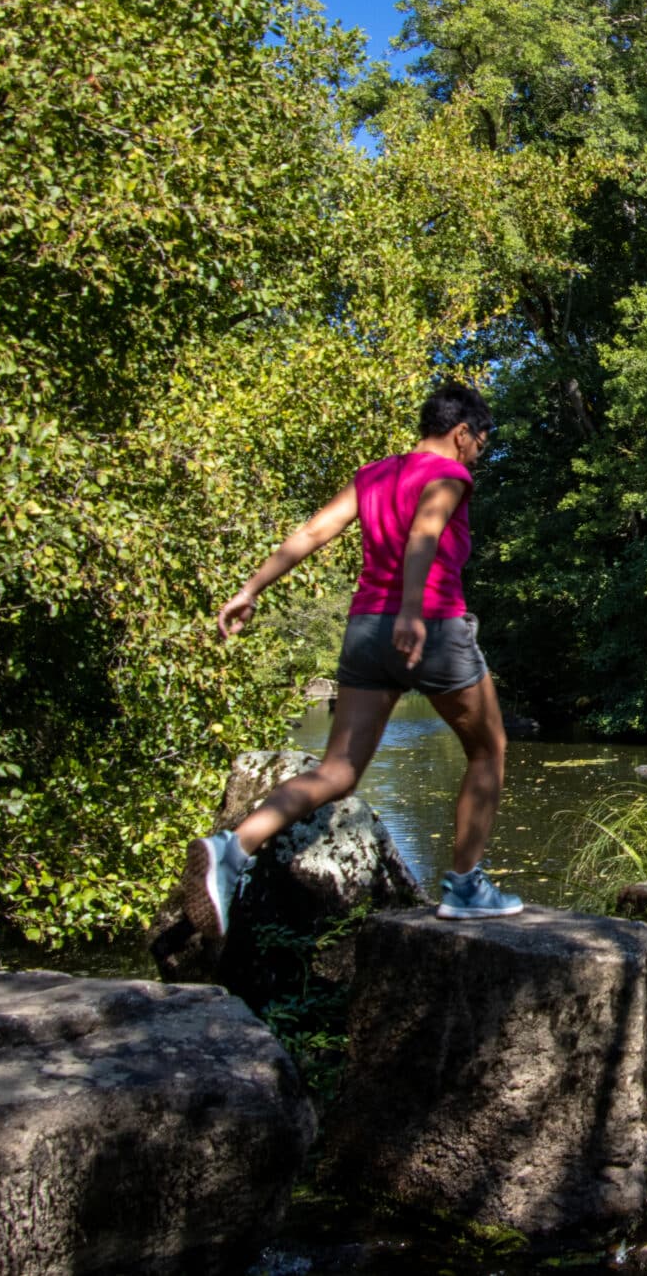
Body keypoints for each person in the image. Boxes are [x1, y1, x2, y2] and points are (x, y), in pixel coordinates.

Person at [181, 383, 522, 942]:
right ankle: (465, 887)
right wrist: (412, 611)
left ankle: (232, 847)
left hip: (364, 631)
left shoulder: (376, 474)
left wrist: (251, 589)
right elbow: (425, 533)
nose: (478, 454)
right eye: (480, 443)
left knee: (338, 771)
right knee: (489, 749)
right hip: (431, 627)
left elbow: (315, 531)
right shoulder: (451, 475)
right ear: (462, 433)